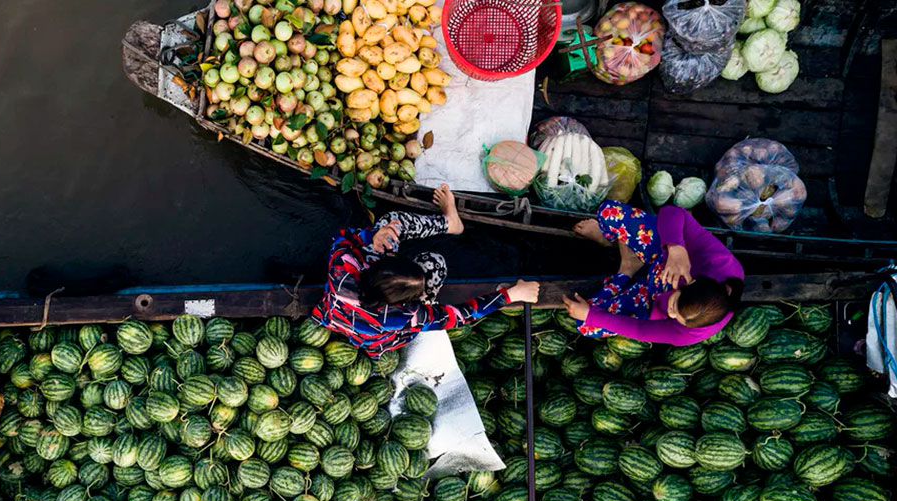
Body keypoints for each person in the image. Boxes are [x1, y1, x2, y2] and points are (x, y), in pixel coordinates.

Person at [313, 183, 540, 356]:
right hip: (379, 338)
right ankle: (447, 230)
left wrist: (373, 237)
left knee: (391, 224)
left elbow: (341, 238)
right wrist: (511, 295)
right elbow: (461, 315)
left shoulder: (342, 269)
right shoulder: (407, 316)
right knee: (435, 264)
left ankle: (450, 223)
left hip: (338, 318)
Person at [562, 200, 745, 345]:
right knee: (609, 211)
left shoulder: (690, 333)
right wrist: (675, 247)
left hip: (650, 299)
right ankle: (608, 241)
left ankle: (626, 270)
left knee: (585, 325)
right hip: (664, 256)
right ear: (691, 282)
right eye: (674, 306)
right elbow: (672, 212)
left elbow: (640, 330)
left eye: (676, 318)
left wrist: (590, 316)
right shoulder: (719, 262)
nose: (671, 314)